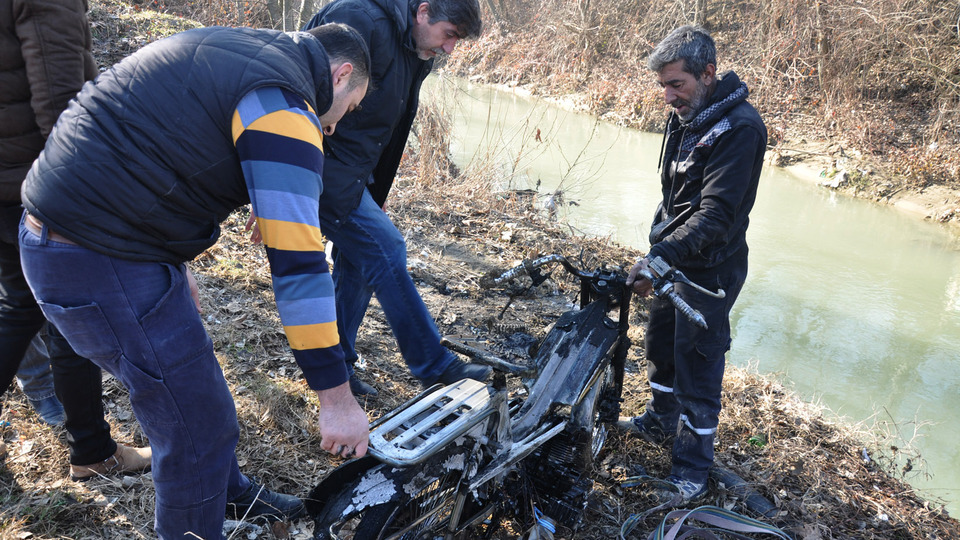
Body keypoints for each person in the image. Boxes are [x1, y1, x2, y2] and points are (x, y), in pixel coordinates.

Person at [19, 23, 371, 539]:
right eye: (351, 108)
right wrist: (336, 399)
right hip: (91, 255)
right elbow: (300, 266)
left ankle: (223, 492)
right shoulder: (285, 106)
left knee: (195, 390)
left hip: (82, 232)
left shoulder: (240, 47)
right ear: (340, 75)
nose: (336, 126)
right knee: (198, 427)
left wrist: (175, 261)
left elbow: (156, 146)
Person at [302, 0, 489, 396]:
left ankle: (337, 367)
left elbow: (391, 125)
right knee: (387, 249)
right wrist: (281, 171)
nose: (449, 48)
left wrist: (376, 191)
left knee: (357, 261)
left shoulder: (415, 48)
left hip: (355, 177)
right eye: (450, 35)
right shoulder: (359, 19)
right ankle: (435, 366)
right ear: (423, 12)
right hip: (319, 167)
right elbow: (297, 83)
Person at [0, 0, 152, 476]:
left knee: (19, 308)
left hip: (10, 177)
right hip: (37, 184)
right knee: (69, 311)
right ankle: (93, 452)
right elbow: (61, 101)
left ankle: (92, 447)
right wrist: (75, 196)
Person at [616, 25, 767, 504]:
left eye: (676, 84)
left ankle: (691, 471)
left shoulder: (740, 128)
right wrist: (660, 248)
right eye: (662, 85)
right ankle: (660, 422)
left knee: (699, 367)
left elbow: (717, 214)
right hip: (676, 257)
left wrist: (660, 258)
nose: (667, 96)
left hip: (710, 272)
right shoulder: (689, 113)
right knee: (661, 346)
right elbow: (676, 197)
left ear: (707, 73)